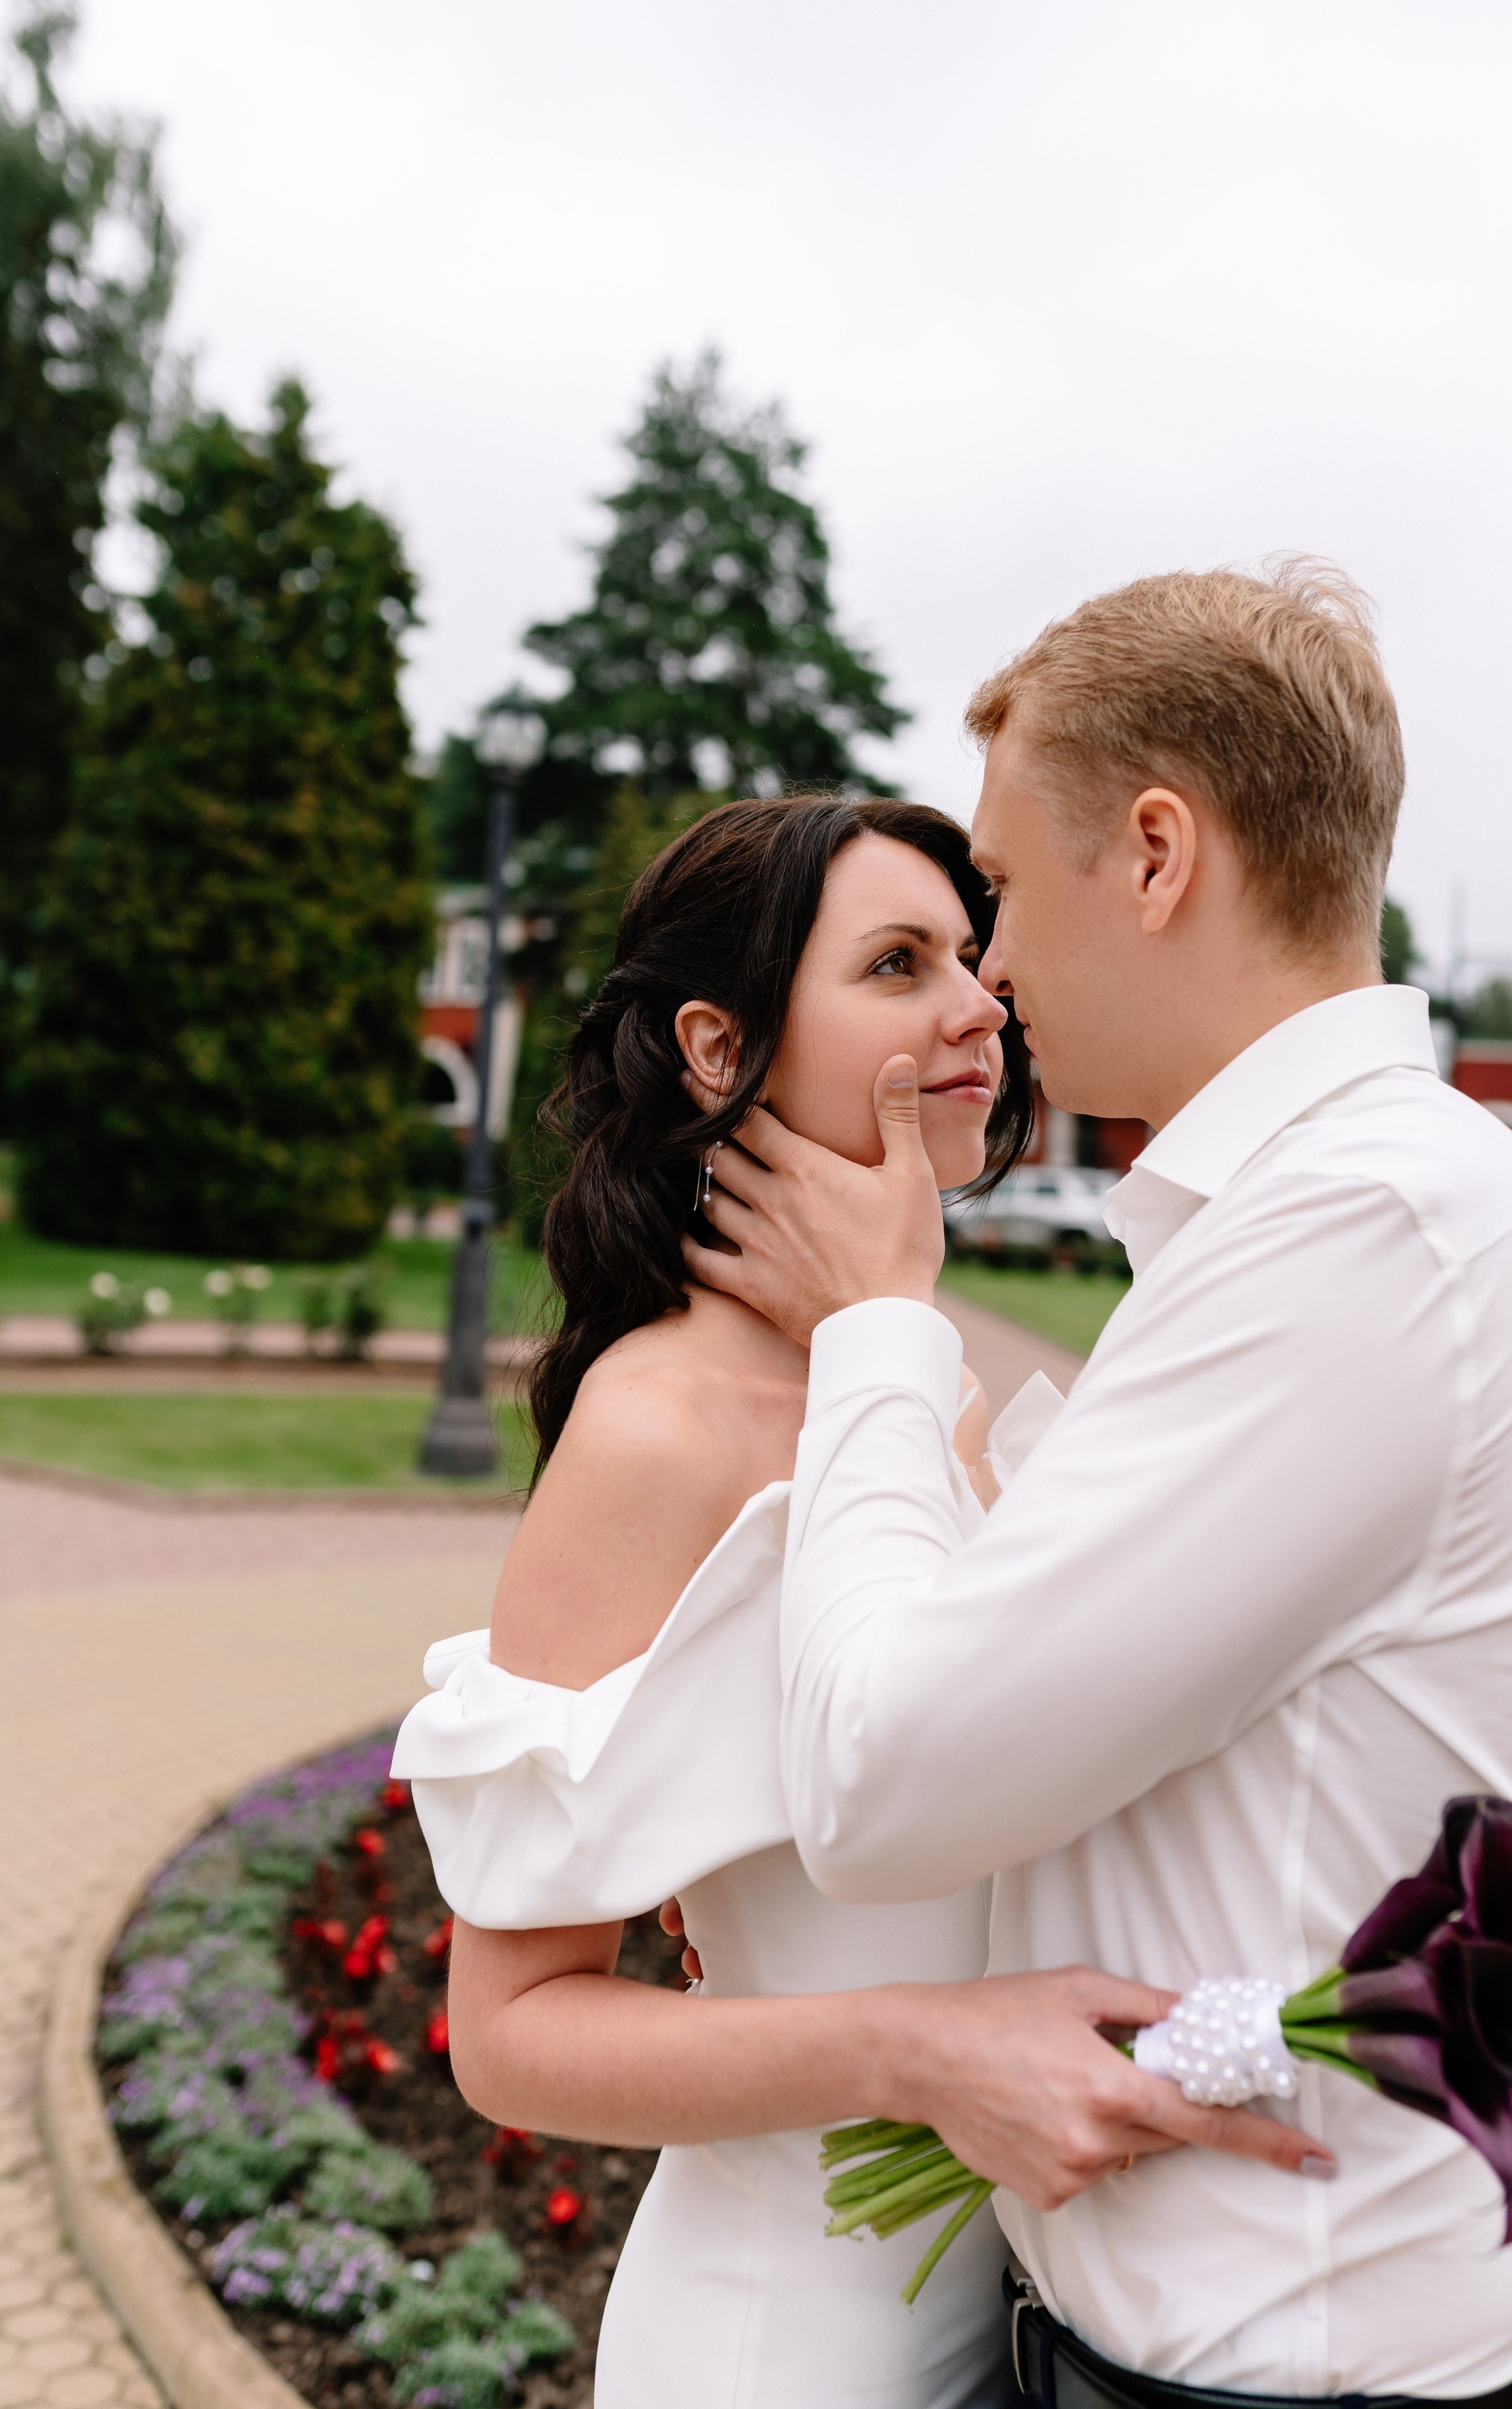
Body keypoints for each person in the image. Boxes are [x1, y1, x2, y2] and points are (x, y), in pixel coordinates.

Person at [684, 566, 1512, 2409]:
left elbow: (886, 1776)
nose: (999, 968)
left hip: (1296, 2374)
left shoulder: (1370, 1225)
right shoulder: (1332, 1209)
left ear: (1158, 852)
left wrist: (882, 1331)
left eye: (1008, 890)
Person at [391, 794, 1330, 2409]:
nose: (978, 1004)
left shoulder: (926, 1390)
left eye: (969, 957)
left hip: (1021, 2325)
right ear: (714, 1044)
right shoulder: (656, 1425)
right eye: (897, 965)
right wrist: (927, 2049)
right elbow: (511, 2026)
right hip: (780, 2342)